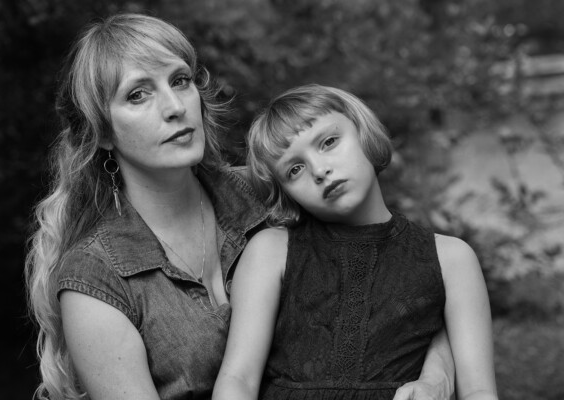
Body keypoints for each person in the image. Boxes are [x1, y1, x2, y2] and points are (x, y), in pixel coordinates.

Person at [25, 14, 456, 400]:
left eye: (179, 80)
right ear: (101, 133)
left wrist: (438, 373)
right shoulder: (94, 282)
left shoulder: (268, 190)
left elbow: (404, 278)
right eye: (137, 95)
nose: (175, 107)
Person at [213, 84, 498, 400]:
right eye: (295, 169)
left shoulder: (452, 258)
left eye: (329, 142)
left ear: (363, 133)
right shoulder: (271, 251)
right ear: (287, 194)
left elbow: (479, 391)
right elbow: (238, 380)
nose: (320, 170)